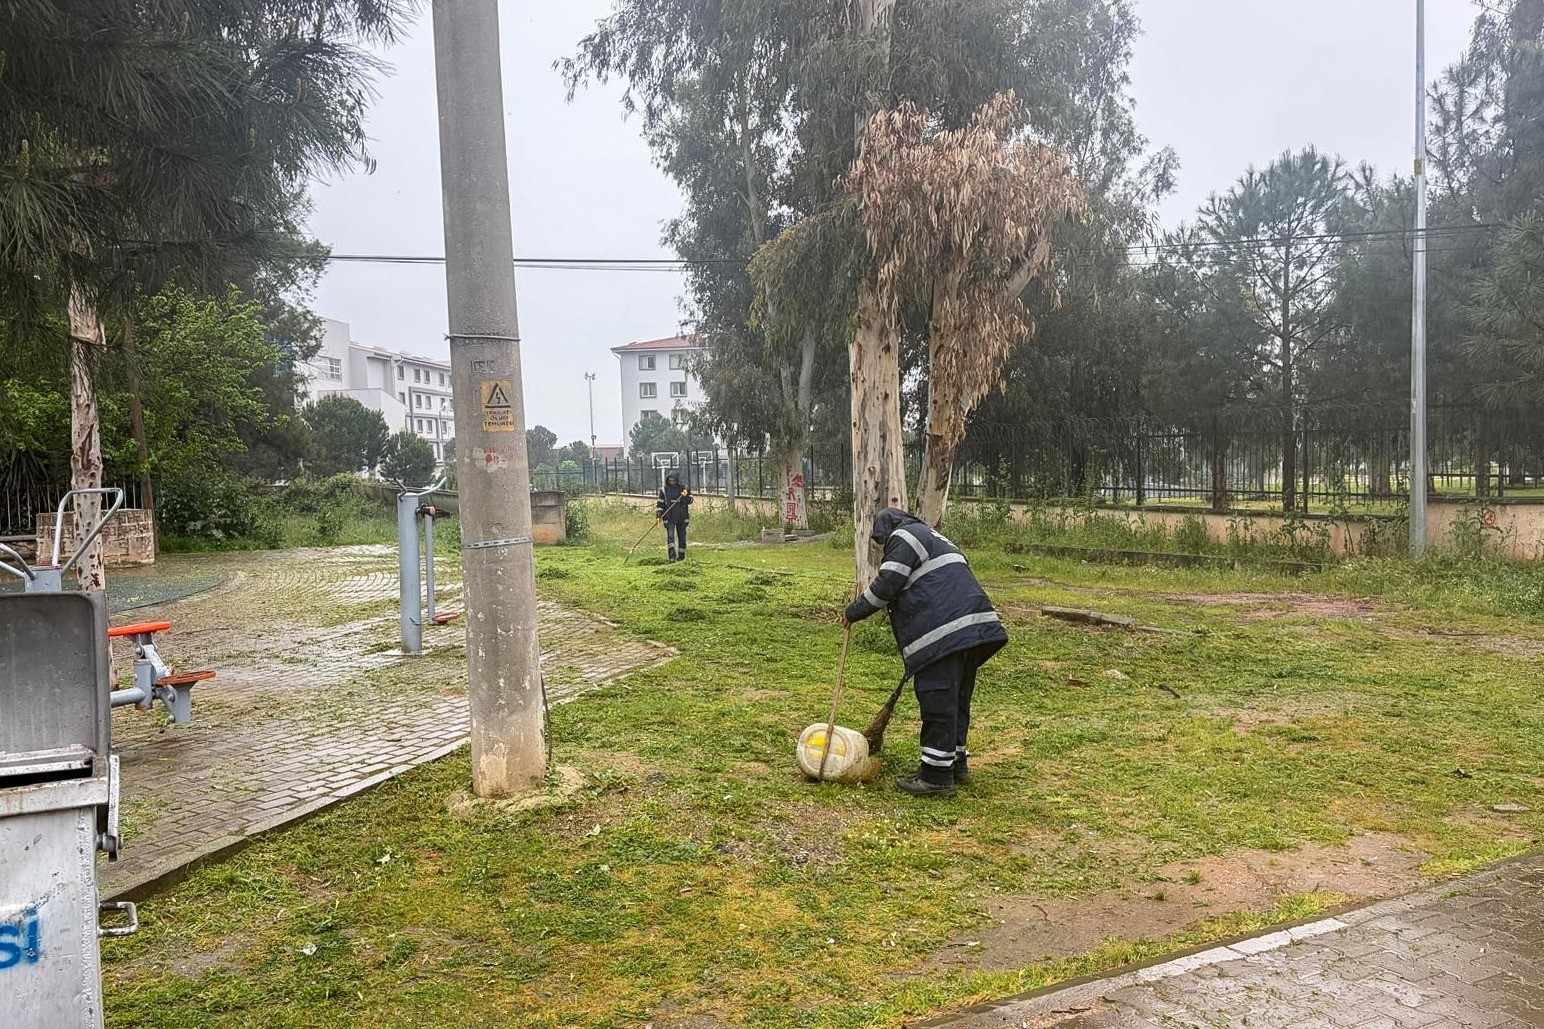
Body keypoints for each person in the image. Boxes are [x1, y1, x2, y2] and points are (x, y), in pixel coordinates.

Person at [842, 508, 1007, 798]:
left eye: (880, 545)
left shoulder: (903, 536)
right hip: (975, 629)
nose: (883, 551)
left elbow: (885, 586)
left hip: (945, 631)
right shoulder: (933, 536)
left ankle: (936, 777)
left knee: (937, 700)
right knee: (956, 700)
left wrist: (852, 611)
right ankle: (956, 764)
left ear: (884, 532)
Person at [656, 472, 692, 562]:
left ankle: (681, 557)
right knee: (671, 537)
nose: (672, 482)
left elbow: (690, 501)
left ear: (677, 480)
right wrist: (659, 515)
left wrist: (686, 495)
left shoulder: (684, 488)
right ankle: (672, 557)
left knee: (682, 538)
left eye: (673, 481)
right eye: (670, 481)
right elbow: (660, 504)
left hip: (682, 517)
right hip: (669, 517)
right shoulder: (664, 490)